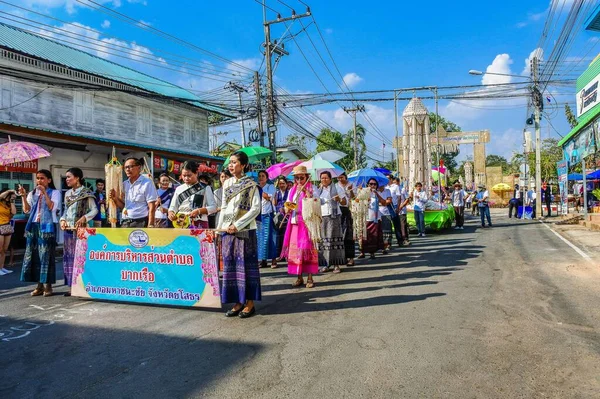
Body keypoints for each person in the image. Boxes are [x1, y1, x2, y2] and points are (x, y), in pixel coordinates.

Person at [217, 151, 262, 318]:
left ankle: (249, 303)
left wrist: (237, 225)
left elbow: (255, 208)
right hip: (227, 232)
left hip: (244, 231)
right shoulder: (227, 183)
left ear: (243, 165)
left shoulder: (251, 184)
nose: (231, 165)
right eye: (230, 162)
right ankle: (238, 302)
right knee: (231, 267)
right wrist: (220, 229)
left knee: (246, 267)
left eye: (234, 162)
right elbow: (223, 207)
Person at [19, 170, 61, 297]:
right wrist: (23, 195)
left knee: (47, 256)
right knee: (34, 255)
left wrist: (44, 193)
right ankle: (39, 286)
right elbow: (26, 210)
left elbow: (52, 207)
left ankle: (48, 286)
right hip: (34, 226)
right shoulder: (32, 193)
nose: (39, 181)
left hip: (47, 226)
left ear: (49, 180)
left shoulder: (55, 192)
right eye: (37, 178)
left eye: (42, 178)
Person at [59, 168, 98, 296]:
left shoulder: (87, 193)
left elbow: (94, 210)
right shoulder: (67, 193)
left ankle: (83, 286)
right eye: (66, 177)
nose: (67, 179)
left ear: (77, 178)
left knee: (81, 258)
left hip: (81, 231)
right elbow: (65, 210)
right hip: (69, 230)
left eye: (69, 177)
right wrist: (63, 219)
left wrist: (85, 217)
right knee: (69, 258)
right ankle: (72, 287)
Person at [281, 165, 318, 287]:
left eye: (301, 178)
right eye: (296, 178)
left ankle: (310, 278)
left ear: (306, 177)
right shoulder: (292, 190)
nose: (299, 181)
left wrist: (306, 193)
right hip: (294, 223)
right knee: (296, 252)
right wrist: (287, 208)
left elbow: (316, 203)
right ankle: (299, 277)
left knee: (307, 250)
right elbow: (288, 205)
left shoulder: (312, 188)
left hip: (307, 224)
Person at [110, 157, 157, 228]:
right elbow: (124, 206)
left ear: (139, 168)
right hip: (125, 222)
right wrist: (115, 199)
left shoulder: (147, 183)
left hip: (140, 222)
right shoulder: (124, 184)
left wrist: (150, 224)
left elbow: (152, 206)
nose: (128, 169)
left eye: (131, 166)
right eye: (126, 167)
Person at [168, 161, 216, 229]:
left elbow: (213, 207)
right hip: (181, 223)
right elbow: (173, 206)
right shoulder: (179, 189)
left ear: (196, 173)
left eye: (189, 175)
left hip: (199, 223)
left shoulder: (205, 188)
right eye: (184, 176)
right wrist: (171, 213)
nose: (186, 178)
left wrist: (199, 211)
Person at [316, 171, 346, 274]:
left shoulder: (337, 188)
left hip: (334, 217)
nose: (324, 180)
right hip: (322, 217)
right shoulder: (318, 190)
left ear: (330, 179)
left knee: (334, 241)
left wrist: (339, 199)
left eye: (326, 178)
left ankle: (336, 265)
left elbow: (344, 202)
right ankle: (325, 264)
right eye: (322, 178)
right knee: (324, 242)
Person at [358, 178, 386, 260]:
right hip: (365, 217)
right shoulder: (363, 192)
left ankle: (372, 252)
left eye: (374, 184)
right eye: (371, 184)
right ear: (367, 185)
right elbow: (357, 202)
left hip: (375, 217)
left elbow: (384, 203)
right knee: (363, 235)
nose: (373, 185)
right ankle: (362, 252)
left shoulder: (376, 194)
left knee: (373, 236)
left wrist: (377, 194)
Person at [256, 170, 276, 268]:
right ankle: (262, 260)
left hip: (267, 214)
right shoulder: (256, 187)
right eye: (259, 176)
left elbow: (271, 198)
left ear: (266, 178)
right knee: (259, 238)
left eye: (263, 176)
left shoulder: (270, 187)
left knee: (268, 238)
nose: (261, 178)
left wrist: (263, 193)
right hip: (258, 215)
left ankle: (273, 259)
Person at [336, 173, 355, 266]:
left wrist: (351, 190)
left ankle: (351, 257)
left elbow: (354, 198)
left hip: (349, 210)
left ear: (346, 177)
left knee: (348, 234)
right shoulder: (335, 186)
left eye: (342, 177)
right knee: (339, 235)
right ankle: (342, 257)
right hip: (337, 211)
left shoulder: (351, 184)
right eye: (338, 178)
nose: (340, 179)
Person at [271, 175, 289, 269]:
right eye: (280, 183)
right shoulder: (276, 193)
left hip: (287, 216)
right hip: (278, 217)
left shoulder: (289, 193)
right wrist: (274, 195)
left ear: (286, 184)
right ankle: (280, 254)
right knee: (279, 236)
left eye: (283, 183)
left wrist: (285, 208)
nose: (282, 185)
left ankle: (286, 254)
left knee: (286, 235)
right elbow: (274, 204)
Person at [0, 189, 17, 275]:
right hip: (0, 226)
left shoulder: (8, 204)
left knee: (4, 249)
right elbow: (1, 196)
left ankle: (2, 267)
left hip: (6, 226)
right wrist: (10, 191)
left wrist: (12, 201)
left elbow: (14, 212)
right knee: (0, 249)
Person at [385, 174, 403, 247]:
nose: (387, 180)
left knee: (396, 224)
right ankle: (388, 242)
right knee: (388, 225)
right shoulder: (385, 187)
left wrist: (398, 208)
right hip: (387, 206)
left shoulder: (395, 187)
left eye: (388, 178)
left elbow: (399, 197)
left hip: (394, 206)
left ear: (391, 179)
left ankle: (400, 240)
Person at [377, 184, 393, 254]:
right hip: (376, 214)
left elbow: (388, 202)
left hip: (386, 213)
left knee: (387, 230)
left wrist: (381, 202)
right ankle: (380, 246)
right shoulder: (374, 191)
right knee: (379, 231)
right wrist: (383, 202)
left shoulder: (387, 191)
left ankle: (386, 245)